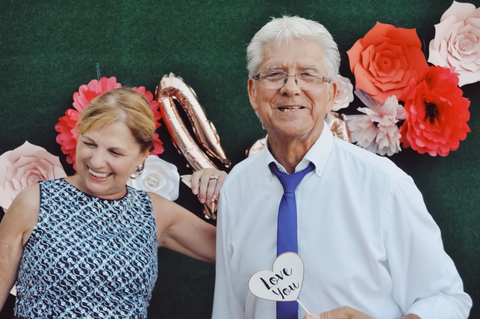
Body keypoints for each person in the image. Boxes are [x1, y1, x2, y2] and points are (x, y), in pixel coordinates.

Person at [211, 16, 472, 319]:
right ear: (253, 92)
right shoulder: (237, 186)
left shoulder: (385, 185)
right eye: (274, 74)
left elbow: (447, 300)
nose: (291, 88)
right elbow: (229, 307)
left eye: (308, 75)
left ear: (332, 94)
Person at [0, 87, 226, 319]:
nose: (97, 162)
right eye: (89, 144)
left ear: (142, 155)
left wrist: (232, 189)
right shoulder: (35, 201)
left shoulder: (154, 212)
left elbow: (239, 250)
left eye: (115, 152)